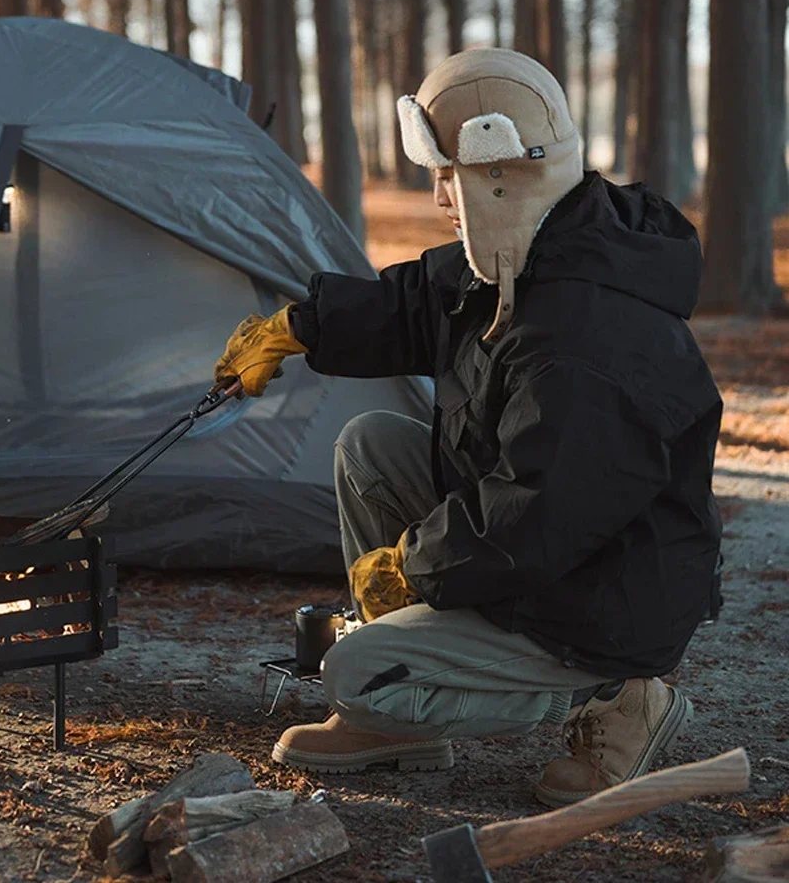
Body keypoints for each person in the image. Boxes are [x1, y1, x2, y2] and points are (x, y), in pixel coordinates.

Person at [213, 49, 723, 807]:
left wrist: (413, 569)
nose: (439, 195)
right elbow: (422, 299)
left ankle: (616, 698)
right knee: (373, 448)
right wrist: (301, 326)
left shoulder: (587, 339)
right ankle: (402, 727)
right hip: (551, 567)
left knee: (355, 670)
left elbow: (537, 513)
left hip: (600, 607)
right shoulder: (533, 253)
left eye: (448, 175)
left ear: (501, 170)